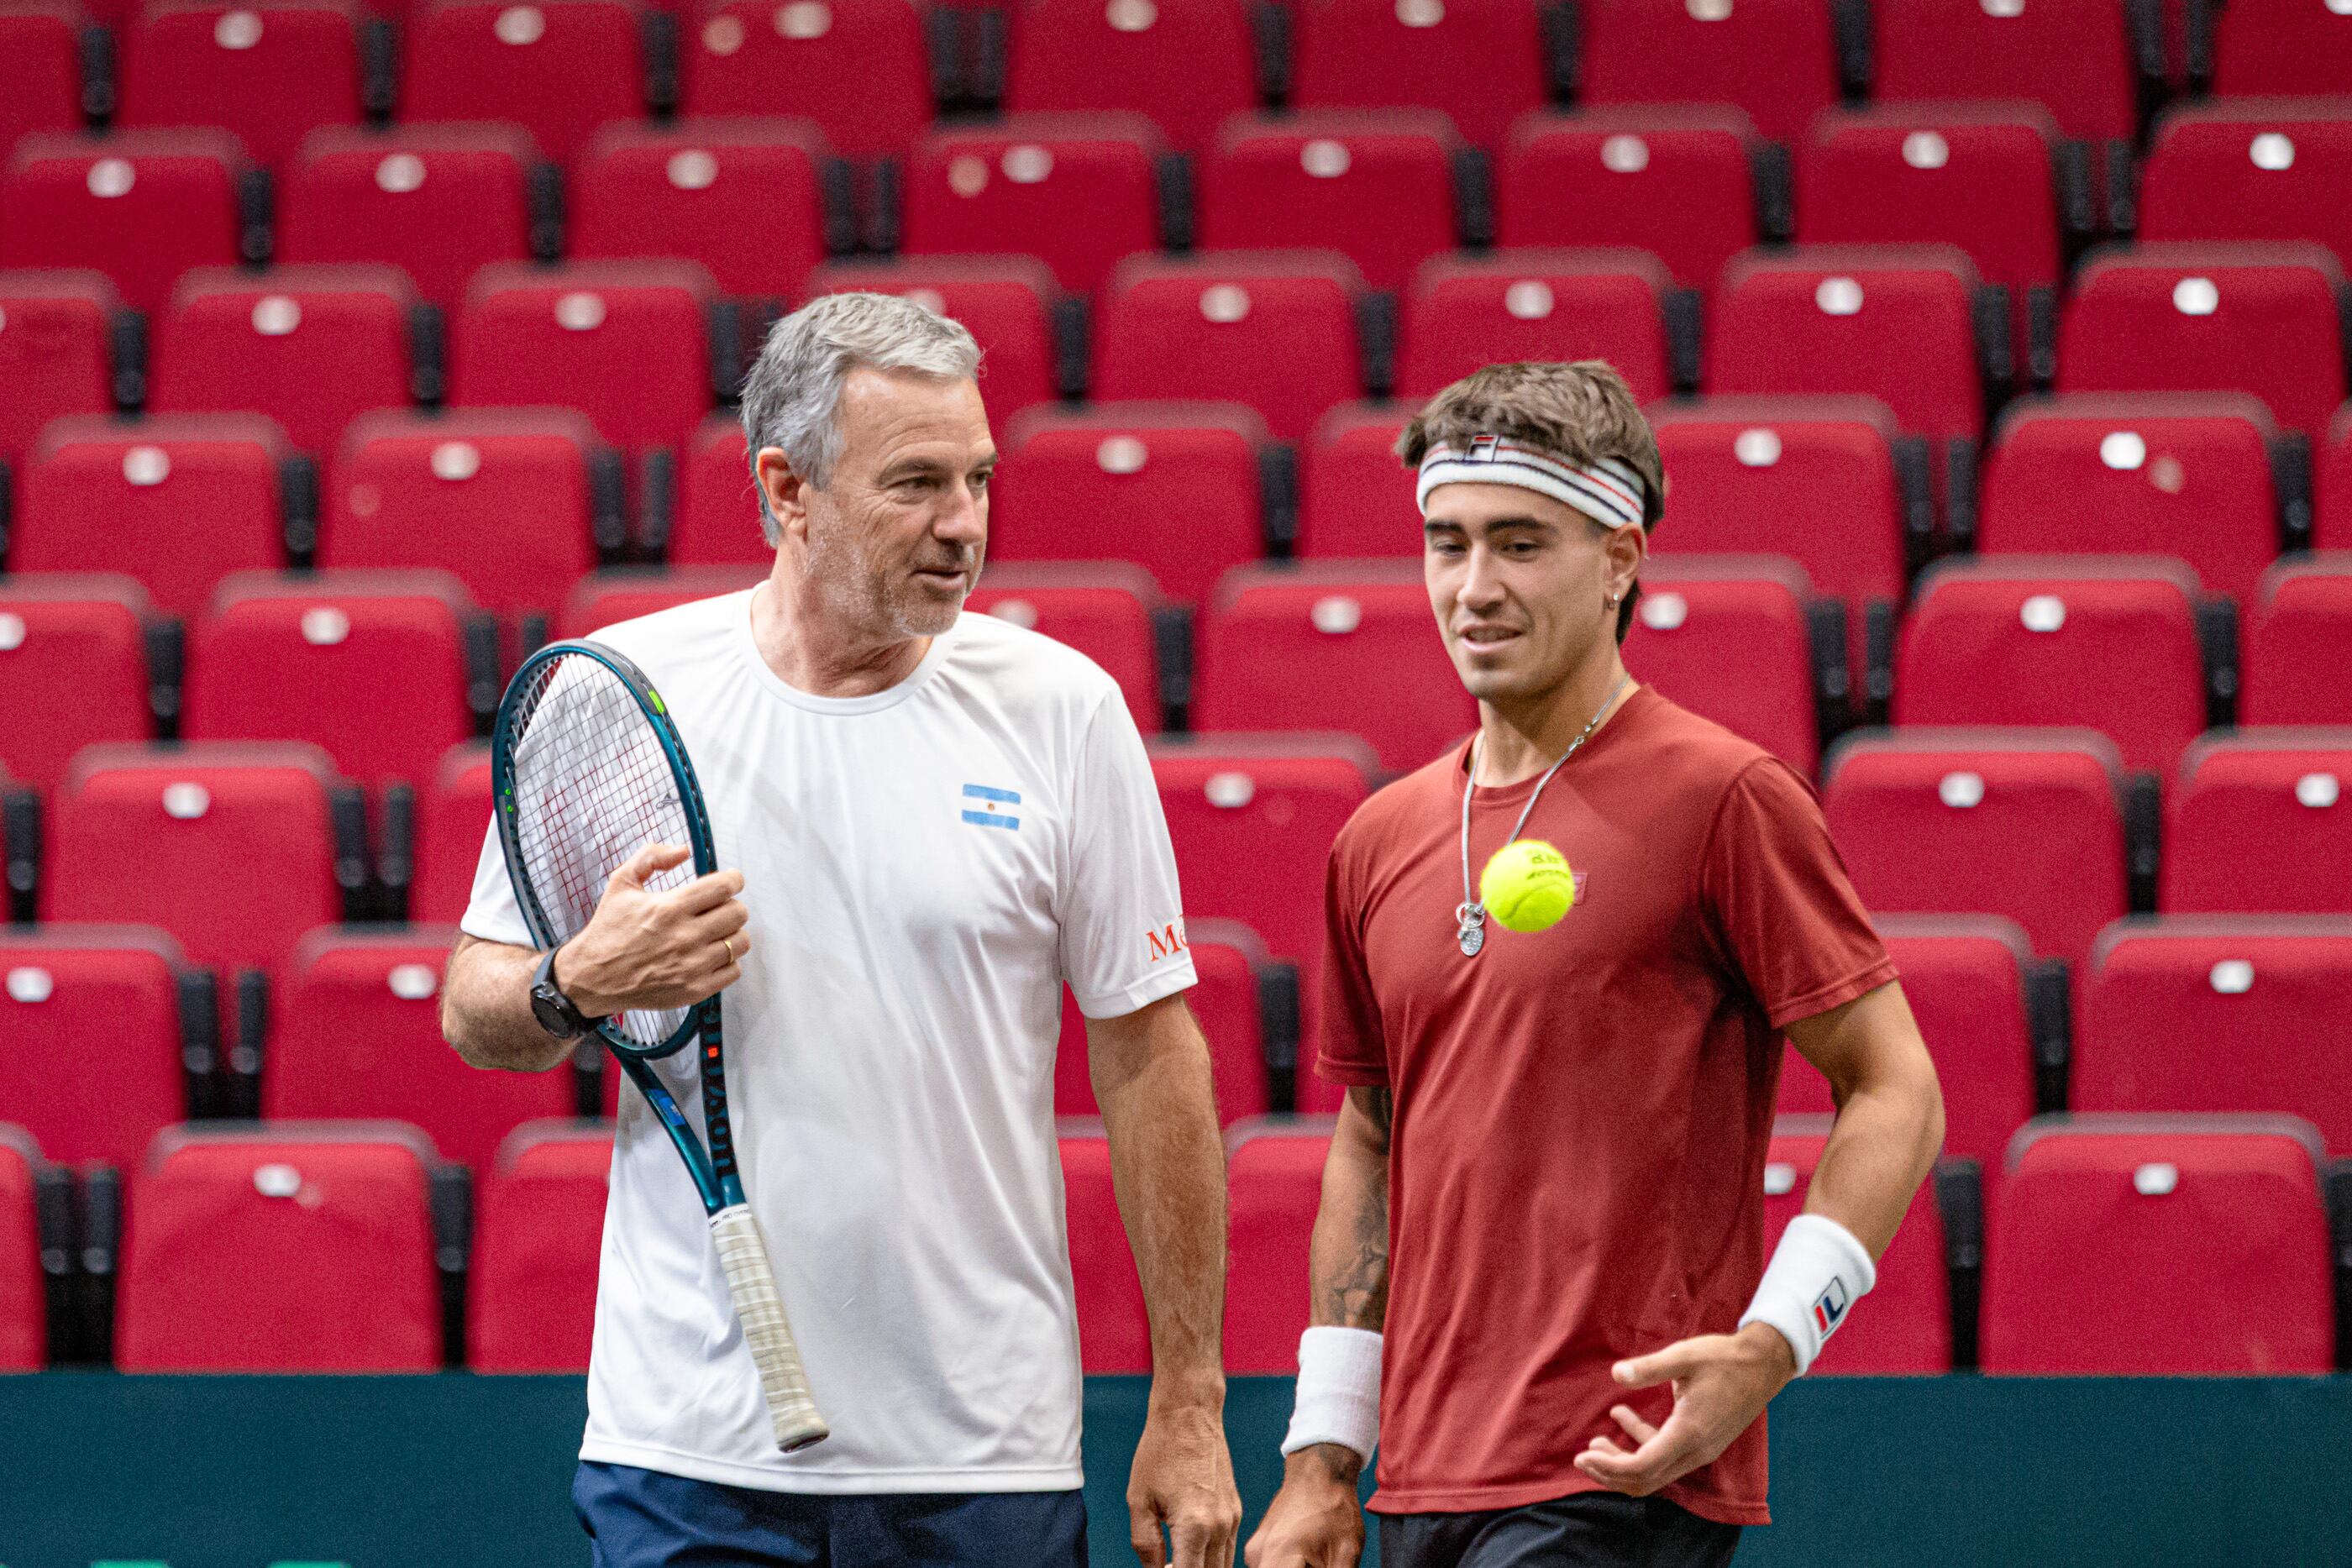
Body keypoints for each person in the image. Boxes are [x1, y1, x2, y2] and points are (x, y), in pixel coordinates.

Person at [441, 292, 1242, 1568]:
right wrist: (576, 980)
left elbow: (1152, 1057)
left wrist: (1190, 1403)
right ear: (788, 488)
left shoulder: (1064, 710)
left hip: (983, 1457)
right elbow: (477, 1012)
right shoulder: (620, 693)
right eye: (917, 483)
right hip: (687, 1452)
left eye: (979, 478)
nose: (964, 523)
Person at [1243, 362, 1946, 1568]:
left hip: (1621, 1467)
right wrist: (1324, 1456)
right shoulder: (1377, 839)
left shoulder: (1726, 797)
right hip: (1420, 1476)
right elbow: (1370, 1139)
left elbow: (1898, 1087)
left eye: (1520, 545)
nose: (1474, 587)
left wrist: (1775, 1342)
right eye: (1448, 543)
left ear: (1620, 560)